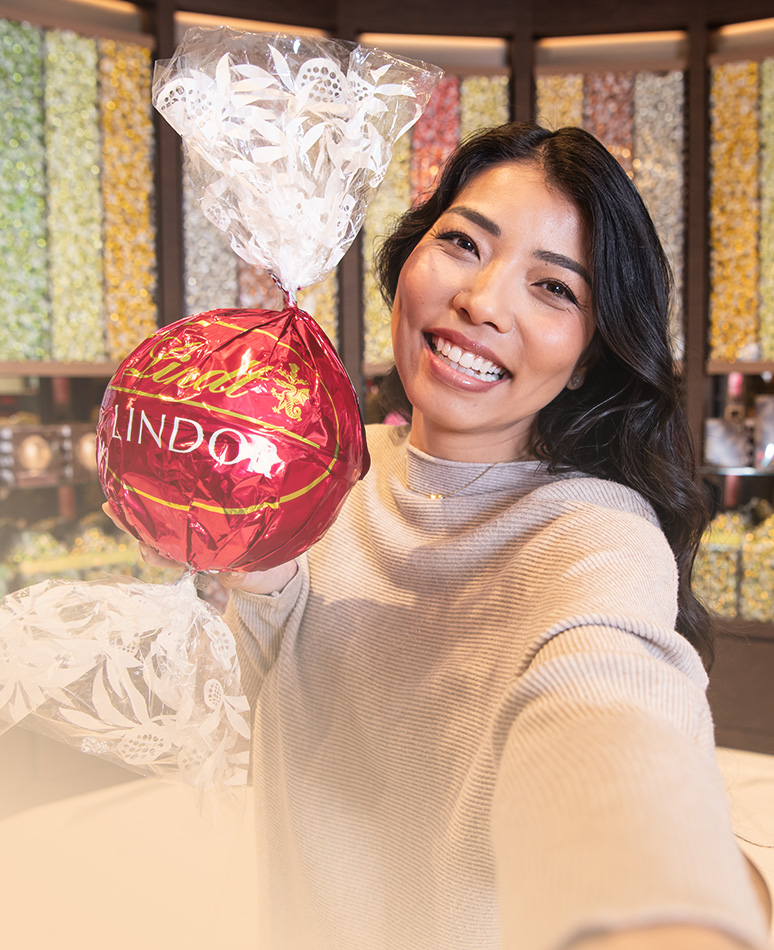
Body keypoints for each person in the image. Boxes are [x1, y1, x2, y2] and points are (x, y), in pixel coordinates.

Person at [130, 122, 772, 950]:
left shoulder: (594, 535)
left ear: (586, 357)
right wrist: (240, 564)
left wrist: (654, 912)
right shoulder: (322, 480)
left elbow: (607, 713)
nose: (484, 301)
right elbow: (234, 724)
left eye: (555, 289)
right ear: (407, 264)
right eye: (464, 243)